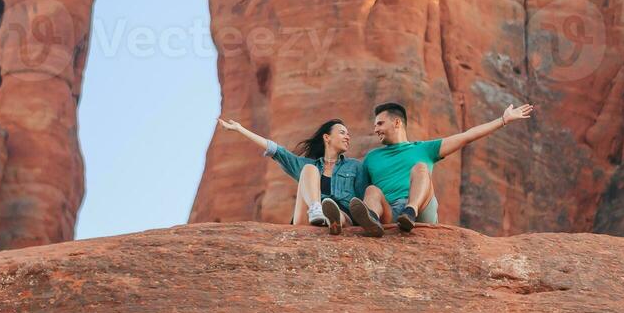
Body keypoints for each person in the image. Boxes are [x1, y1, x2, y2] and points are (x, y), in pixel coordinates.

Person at [349, 100, 535, 235]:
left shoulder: (424, 148)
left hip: (419, 209)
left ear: (397, 123)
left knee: (421, 168)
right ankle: (371, 221)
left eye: (380, 123)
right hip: (389, 213)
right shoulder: (372, 157)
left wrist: (503, 120)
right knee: (372, 190)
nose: (375, 129)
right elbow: (359, 191)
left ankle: (410, 213)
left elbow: (467, 136)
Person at [215, 117, 365, 235]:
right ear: (327, 137)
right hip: (308, 220)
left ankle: (331, 219)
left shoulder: (354, 166)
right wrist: (240, 129)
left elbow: (360, 202)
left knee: (336, 213)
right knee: (309, 169)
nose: (347, 137)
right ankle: (316, 209)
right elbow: (276, 151)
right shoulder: (308, 165)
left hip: (342, 218)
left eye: (348, 134)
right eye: (342, 132)